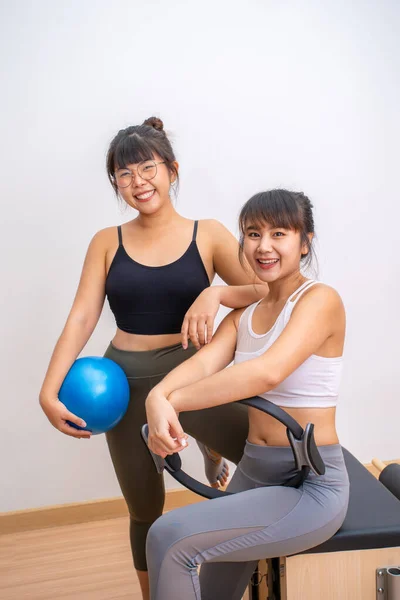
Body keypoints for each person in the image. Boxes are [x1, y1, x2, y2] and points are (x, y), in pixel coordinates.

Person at [39, 117, 266, 600]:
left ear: (172, 170)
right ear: (116, 184)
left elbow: (266, 289)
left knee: (264, 460)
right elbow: (82, 316)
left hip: (189, 376)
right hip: (122, 381)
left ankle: (209, 453)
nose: (138, 182)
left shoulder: (208, 234)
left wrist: (218, 294)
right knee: (144, 508)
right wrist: (47, 389)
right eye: (124, 174)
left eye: (148, 168)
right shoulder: (106, 241)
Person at [145, 189, 349, 600]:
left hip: (310, 484)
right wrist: (157, 395)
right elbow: (202, 365)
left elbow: (265, 372)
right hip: (256, 471)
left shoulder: (320, 300)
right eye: (253, 234)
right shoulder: (244, 316)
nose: (264, 245)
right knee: (210, 587)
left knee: (168, 537)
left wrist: (174, 402)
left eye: (279, 233)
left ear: (304, 241)